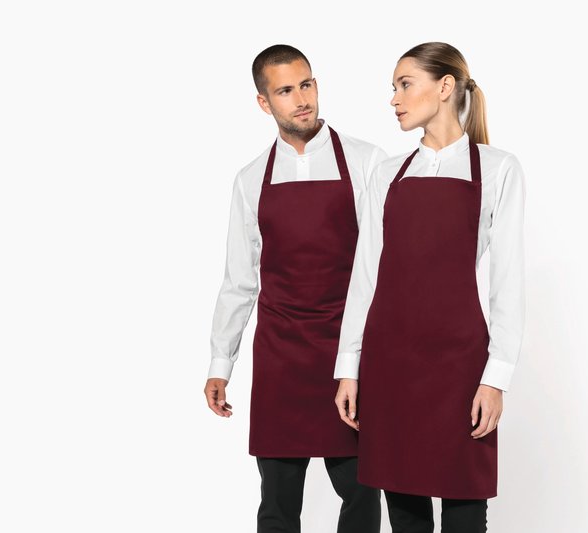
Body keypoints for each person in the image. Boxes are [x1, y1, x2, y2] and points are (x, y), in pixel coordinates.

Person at [333, 42, 526, 533]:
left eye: (405, 85)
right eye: (393, 88)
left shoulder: (498, 168)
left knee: (466, 510)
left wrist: (495, 378)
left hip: (460, 364)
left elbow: (507, 282)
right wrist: (348, 367)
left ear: (444, 87)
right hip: (390, 364)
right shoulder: (387, 173)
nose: (394, 99)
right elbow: (366, 274)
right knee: (405, 514)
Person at [204, 44, 386, 533]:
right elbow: (239, 280)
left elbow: (386, 268)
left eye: (306, 85)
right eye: (285, 91)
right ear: (264, 102)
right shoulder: (249, 180)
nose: (301, 99)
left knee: (362, 494)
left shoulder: (368, 162)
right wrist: (221, 363)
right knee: (278, 505)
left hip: (349, 354)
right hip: (280, 358)